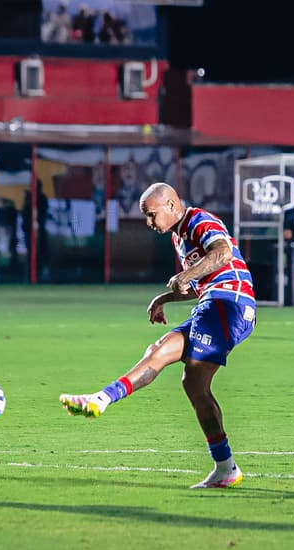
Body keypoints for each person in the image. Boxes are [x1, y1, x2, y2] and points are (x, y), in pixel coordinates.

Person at [59, 182, 256, 489]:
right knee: (179, 370)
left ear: (171, 205)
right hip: (214, 302)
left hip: (228, 303)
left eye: (151, 215)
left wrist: (186, 275)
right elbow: (195, 283)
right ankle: (225, 467)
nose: (149, 223)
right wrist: (164, 299)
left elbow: (223, 253)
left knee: (178, 367)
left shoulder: (199, 220)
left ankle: (102, 399)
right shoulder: (179, 236)